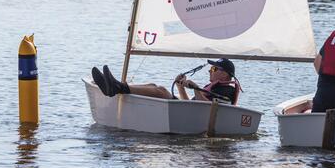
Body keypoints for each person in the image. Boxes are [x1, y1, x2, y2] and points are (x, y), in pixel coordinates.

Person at [90, 58, 240, 104]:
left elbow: (209, 108)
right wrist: (181, 87)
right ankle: (115, 86)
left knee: (161, 90)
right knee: (153, 86)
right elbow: (191, 104)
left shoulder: (227, 90)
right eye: (211, 68)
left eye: (214, 69)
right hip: (187, 113)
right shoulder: (213, 86)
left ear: (225, 75)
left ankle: (116, 87)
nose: (210, 70)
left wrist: (195, 88)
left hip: (188, 117)